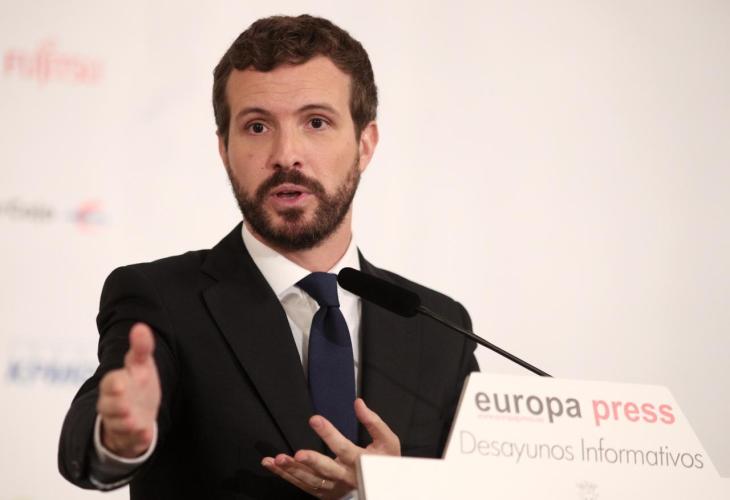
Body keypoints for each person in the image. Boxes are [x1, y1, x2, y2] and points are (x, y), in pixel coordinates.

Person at [58, 14, 478, 499]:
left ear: (365, 145)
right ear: (224, 149)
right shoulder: (162, 300)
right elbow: (92, 437)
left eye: (316, 122)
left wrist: (393, 490)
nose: (286, 154)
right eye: (257, 126)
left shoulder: (439, 327)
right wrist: (119, 438)